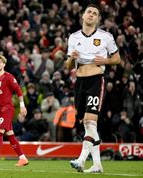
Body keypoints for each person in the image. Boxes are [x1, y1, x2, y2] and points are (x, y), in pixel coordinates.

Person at [65, 4, 121, 173]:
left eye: (95, 13)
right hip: (80, 82)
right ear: (83, 15)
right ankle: (97, 164)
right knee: (88, 125)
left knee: (90, 121)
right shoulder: (73, 37)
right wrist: (71, 59)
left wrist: (105, 61)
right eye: (89, 12)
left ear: (97, 19)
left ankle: (81, 160)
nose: (91, 15)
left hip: (96, 80)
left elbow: (117, 58)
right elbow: (68, 66)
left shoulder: (106, 37)